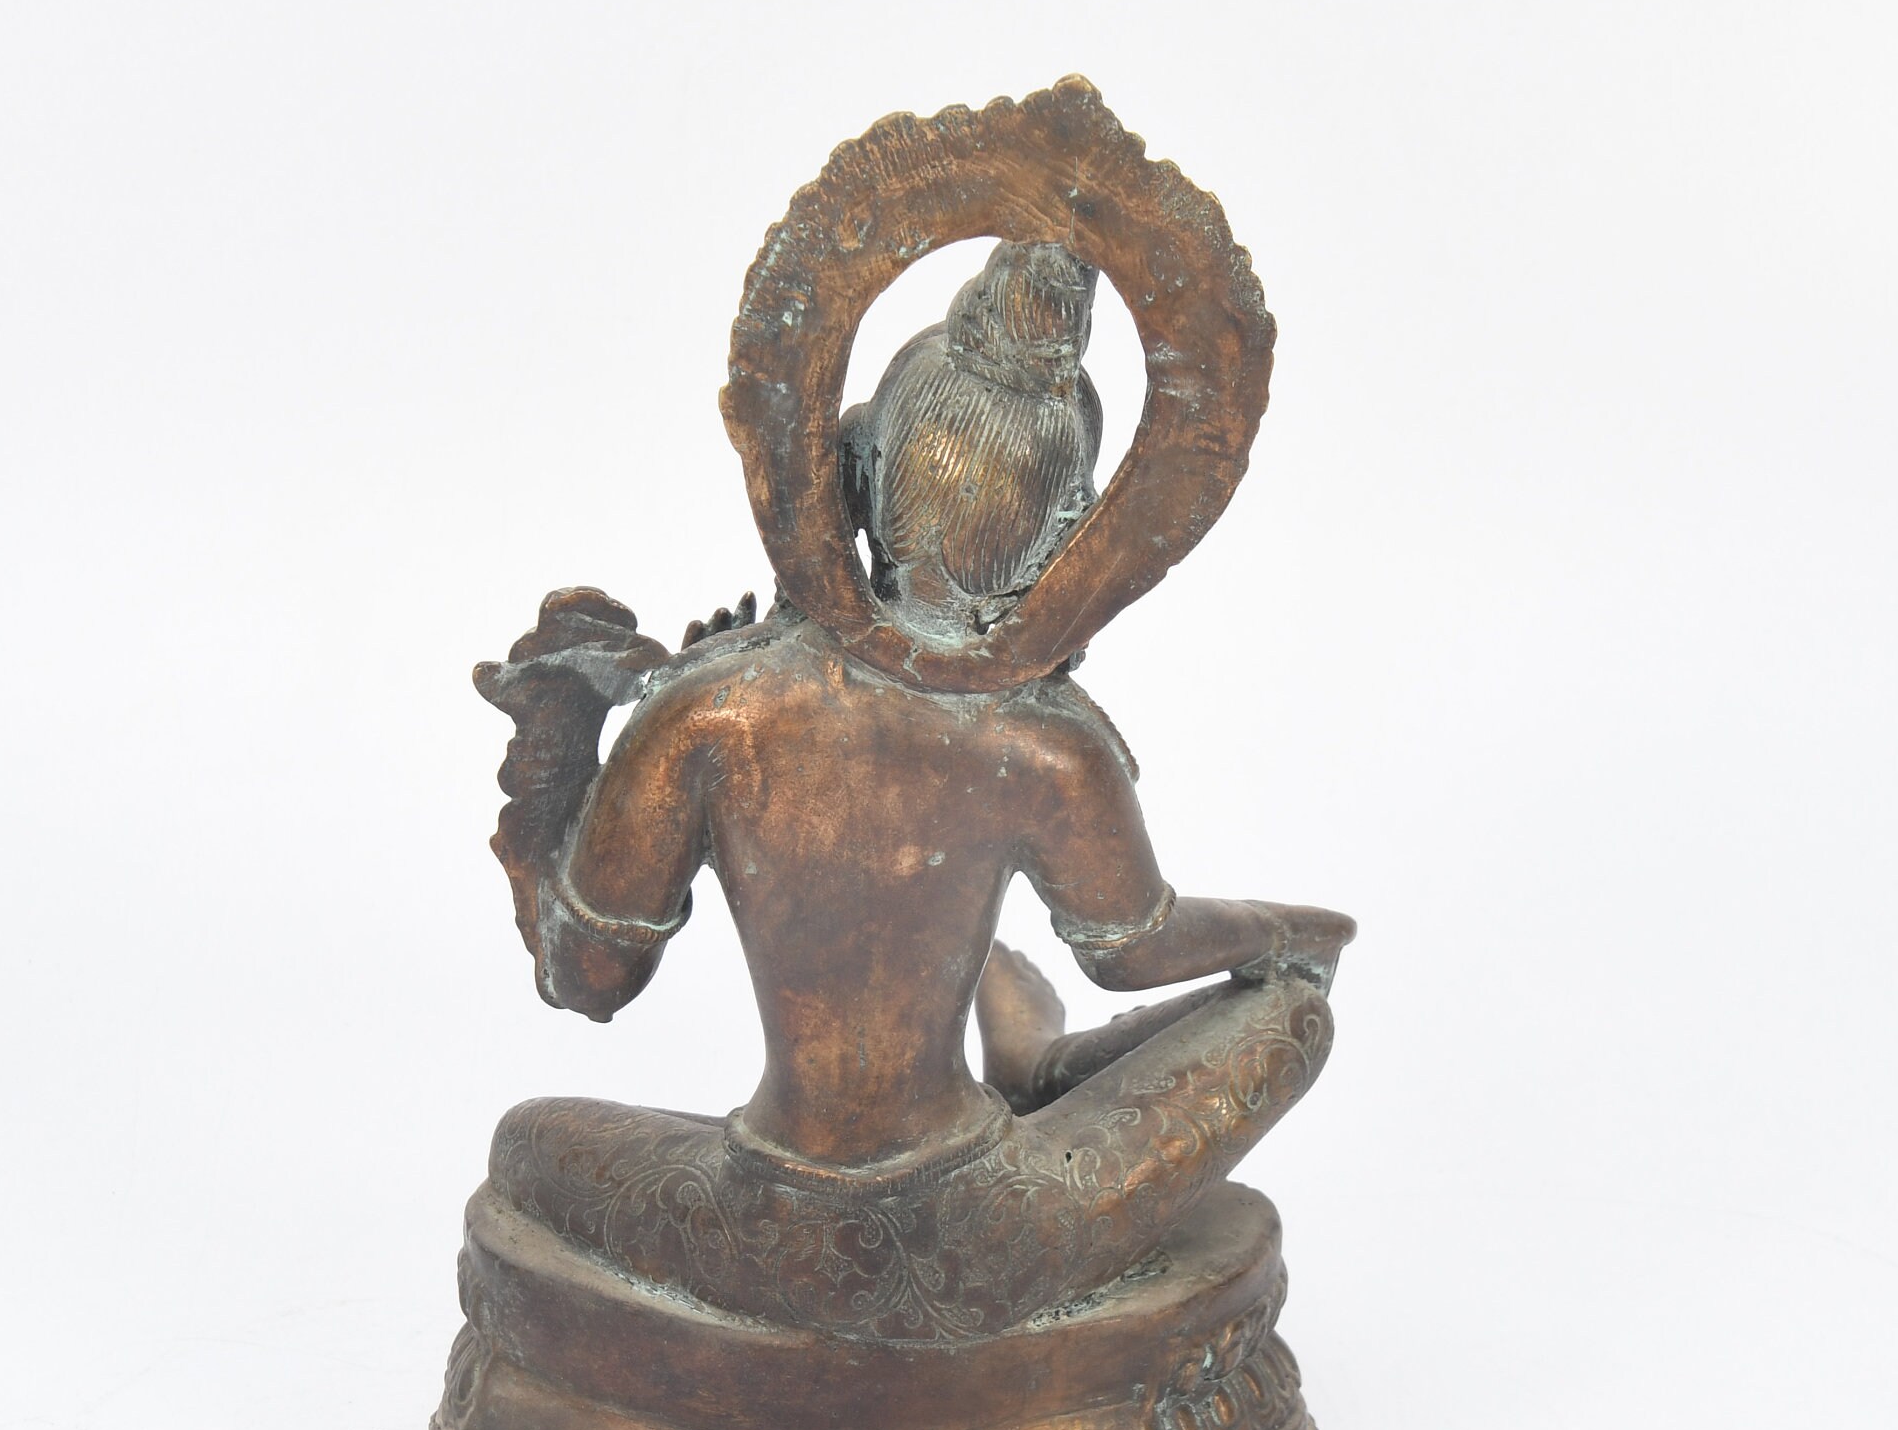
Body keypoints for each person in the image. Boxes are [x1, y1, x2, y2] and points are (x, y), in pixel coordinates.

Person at [477, 242, 1352, 1341]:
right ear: (1069, 537)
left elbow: (588, 978)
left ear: (854, 464)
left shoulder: (711, 709)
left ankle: (1032, 1065)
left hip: (758, 1221)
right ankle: (1041, 1073)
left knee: (525, 1141)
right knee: (1289, 1011)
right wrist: (1289, 931)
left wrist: (563, 743)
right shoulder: (1045, 746)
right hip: (983, 1235)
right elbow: (1134, 948)